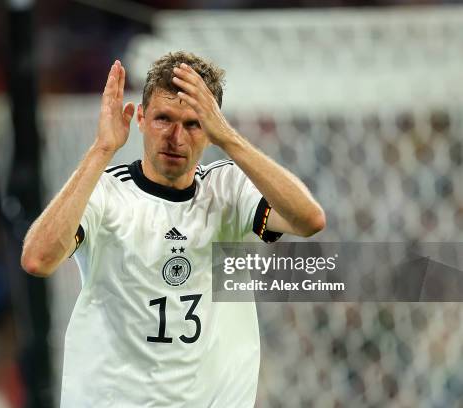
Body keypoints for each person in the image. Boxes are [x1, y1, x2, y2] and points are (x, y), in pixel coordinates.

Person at [21, 51, 325, 407]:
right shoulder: (106, 193)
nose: (175, 137)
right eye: (164, 118)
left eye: (194, 123)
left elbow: (310, 221)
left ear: (210, 129)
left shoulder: (227, 188)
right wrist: (101, 149)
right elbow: (37, 259)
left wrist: (229, 138)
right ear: (140, 119)